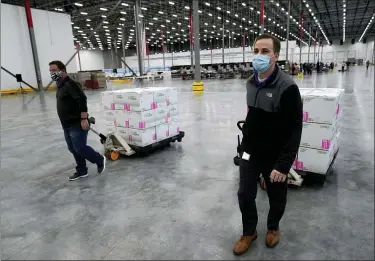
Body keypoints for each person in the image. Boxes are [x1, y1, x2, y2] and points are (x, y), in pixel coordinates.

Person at [233, 33, 303, 256]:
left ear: (276, 56)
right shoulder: (250, 83)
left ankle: (273, 227)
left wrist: (283, 166)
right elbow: (252, 117)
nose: (259, 56)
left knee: (276, 196)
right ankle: (249, 231)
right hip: (250, 153)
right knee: (244, 194)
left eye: (264, 52)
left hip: (275, 156)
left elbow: (294, 129)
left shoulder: (288, 87)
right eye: (255, 51)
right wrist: (244, 147)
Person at [49, 60, 106, 181]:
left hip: (77, 123)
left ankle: (99, 159)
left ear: (62, 70)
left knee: (79, 147)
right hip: (66, 125)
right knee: (72, 148)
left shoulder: (71, 84)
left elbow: (82, 100)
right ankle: (82, 170)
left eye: (54, 70)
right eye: (50, 71)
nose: (51, 73)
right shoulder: (60, 85)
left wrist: (84, 118)